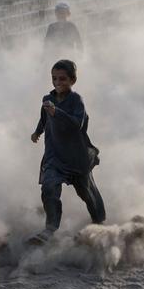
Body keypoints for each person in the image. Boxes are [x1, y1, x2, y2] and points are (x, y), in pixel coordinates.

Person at [29, 60, 105, 245]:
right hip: (54, 155)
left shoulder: (77, 100)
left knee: (87, 193)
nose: (57, 82)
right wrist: (37, 132)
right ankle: (50, 228)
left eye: (62, 79)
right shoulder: (47, 99)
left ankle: (99, 222)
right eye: (54, 78)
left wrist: (58, 113)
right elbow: (44, 118)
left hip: (75, 156)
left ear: (73, 80)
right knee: (49, 187)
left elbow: (76, 124)